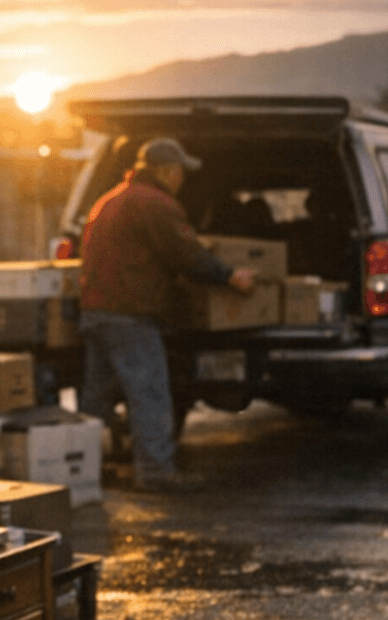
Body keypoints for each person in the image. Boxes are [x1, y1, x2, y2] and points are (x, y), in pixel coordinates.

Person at [77, 137, 256, 493]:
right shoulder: (155, 204)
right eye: (180, 172)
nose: (182, 180)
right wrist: (229, 276)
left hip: (95, 312)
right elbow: (186, 254)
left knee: (95, 401)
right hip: (131, 315)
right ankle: (155, 472)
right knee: (150, 395)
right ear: (165, 171)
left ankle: (84, 470)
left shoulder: (108, 200)